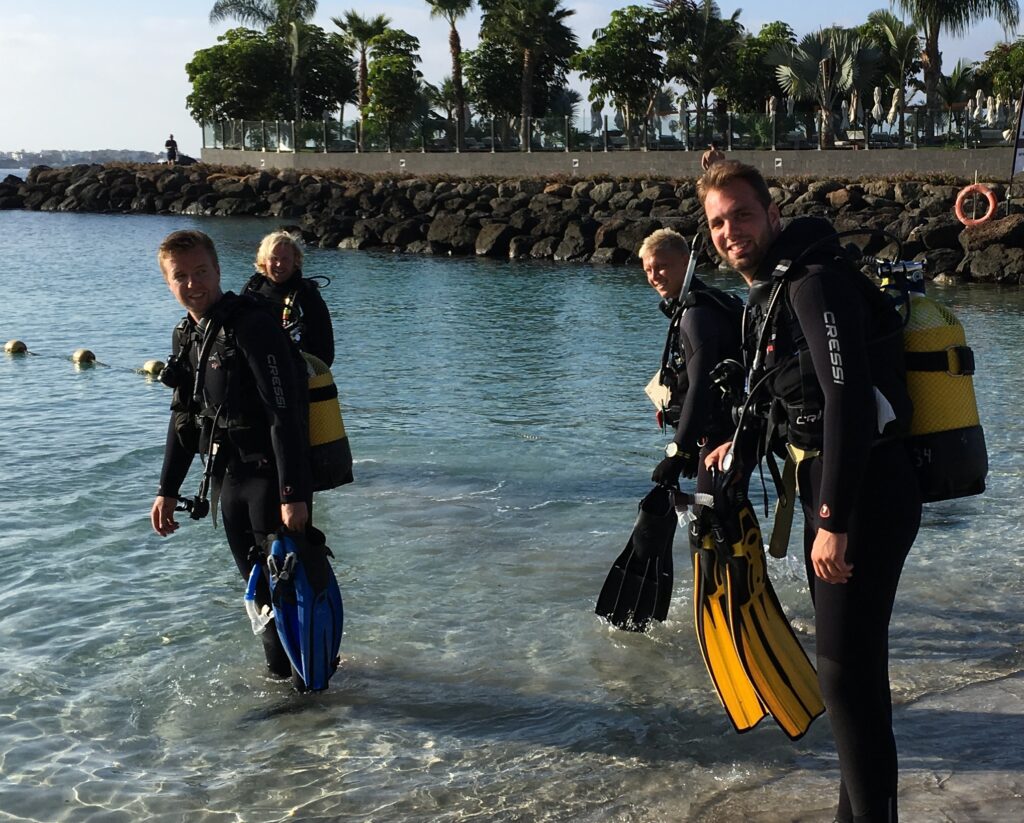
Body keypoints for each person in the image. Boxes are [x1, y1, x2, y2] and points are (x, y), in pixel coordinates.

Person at [698, 161, 921, 823]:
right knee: (851, 675)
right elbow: (795, 404)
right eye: (717, 221)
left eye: (741, 214)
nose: (731, 231)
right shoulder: (779, 289)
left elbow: (847, 403)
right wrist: (735, 450)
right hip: (852, 490)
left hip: (863, 496)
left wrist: (832, 519)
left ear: (772, 214)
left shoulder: (814, 285)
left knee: (844, 677)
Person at [150, 229, 312, 680]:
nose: (192, 284)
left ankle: (311, 692)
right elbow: (183, 420)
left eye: (200, 272)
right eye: (180, 276)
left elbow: (286, 414)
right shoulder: (188, 334)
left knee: (289, 594)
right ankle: (285, 691)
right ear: (168, 282)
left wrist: (292, 493)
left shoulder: (253, 326)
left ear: (218, 271)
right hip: (229, 482)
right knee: (257, 596)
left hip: (271, 480)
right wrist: (166, 490)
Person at [639, 228, 742, 496]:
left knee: (709, 519)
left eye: (662, 267)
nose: (654, 277)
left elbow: (701, 384)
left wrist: (678, 451)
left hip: (719, 438)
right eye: (648, 270)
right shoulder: (694, 307)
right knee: (719, 513)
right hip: (716, 434)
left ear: (687, 262)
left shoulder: (696, 315)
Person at [242, 230, 335, 368]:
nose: (279, 264)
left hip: (298, 373)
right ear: (263, 260)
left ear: (295, 261)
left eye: (285, 259)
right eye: (274, 258)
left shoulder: (307, 294)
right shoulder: (252, 288)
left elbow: (325, 351)